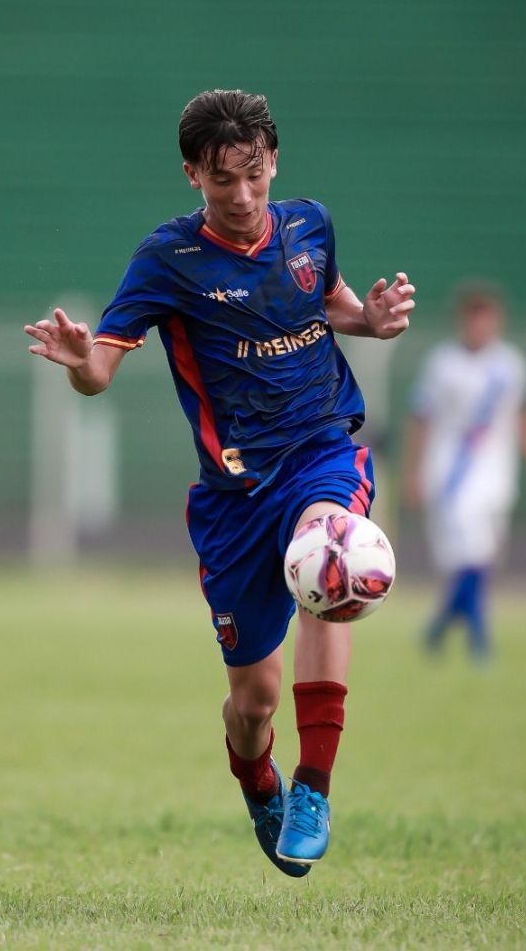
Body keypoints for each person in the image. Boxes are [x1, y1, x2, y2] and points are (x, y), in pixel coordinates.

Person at [24, 90, 414, 875]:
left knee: (331, 560)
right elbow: (101, 367)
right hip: (235, 499)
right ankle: (257, 771)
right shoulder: (169, 259)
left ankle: (313, 784)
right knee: (253, 702)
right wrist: (79, 364)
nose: (241, 197)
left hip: (321, 449)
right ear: (192, 174)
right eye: (222, 181)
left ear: (274, 163)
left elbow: (327, 300)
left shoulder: (309, 224)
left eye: (255, 176)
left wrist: (368, 319)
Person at [401, 281, 526, 659]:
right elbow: (421, 420)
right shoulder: (442, 364)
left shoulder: (509, 365)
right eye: (474, 320)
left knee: (483, 561)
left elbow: (523, 418)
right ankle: (479, 641)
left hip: (495, 476)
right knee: (468, 558)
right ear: (462, 321)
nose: (480, 328)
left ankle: (439, 628)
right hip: (451, 477)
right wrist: (412, 473)